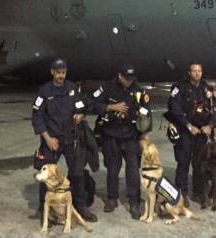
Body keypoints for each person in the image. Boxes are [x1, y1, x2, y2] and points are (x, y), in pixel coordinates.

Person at [31, 59, 97, 222]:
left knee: (77, 173)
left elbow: (81, 106)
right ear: (52, 72)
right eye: (58, 72)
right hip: (51, 139)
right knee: (46, 174)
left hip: (71, 139)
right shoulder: (44, 91)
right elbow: (37, 116)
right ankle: (43, 207)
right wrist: (47, 139)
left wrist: (80, 115)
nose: (61, 75)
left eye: (63, 72)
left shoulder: (72, 89)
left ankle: (80, 206)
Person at [91, 64, 151, 219]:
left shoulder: (139, 90)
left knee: (132, 170)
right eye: (126, 78)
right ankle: (112, 199)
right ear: (119, 75)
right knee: (112, 169)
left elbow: (146, 112)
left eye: (131, 78)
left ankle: (135, 202)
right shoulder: (107, 88)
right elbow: (94, 105)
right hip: (111, 135)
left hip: (131, 136)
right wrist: (111, 107)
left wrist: (145, 133)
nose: (129, 81)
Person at [167, 63, 216, 207]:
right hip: (185, 131)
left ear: (202, 72)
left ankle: (198, 192)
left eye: (199, 71)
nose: (197, 73)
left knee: (199, 164)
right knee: (183, 163)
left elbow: (214, 110)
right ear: (189, 73)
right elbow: (174, 108)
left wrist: (210, 125)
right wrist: (188, 126)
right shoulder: (180, 87)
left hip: (202, 133)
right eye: (194, 71)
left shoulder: (207, 88)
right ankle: (182, 192)